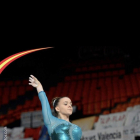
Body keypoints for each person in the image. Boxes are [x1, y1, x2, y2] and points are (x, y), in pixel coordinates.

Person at [29, 75, 82, 140]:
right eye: (65, 104)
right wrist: (39, 87)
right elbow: (44, 102)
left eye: (70, 104)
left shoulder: (76, 128)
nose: (69, 105)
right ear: (57, 108)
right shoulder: (51, 122)